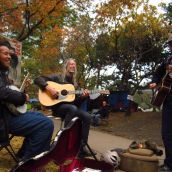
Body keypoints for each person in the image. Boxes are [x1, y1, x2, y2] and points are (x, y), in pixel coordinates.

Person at [0, 41, 54, 161]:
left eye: (10, 54)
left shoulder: (3, 75)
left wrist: (22, 93)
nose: (9, 56)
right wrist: (23, 97)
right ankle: (29, 163)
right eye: (5, 53)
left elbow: (9, 96)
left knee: (40, 116)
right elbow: (3, 92)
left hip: (8, 114)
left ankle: (24, 155)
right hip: (3, 120)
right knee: (46, 125)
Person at [34, 58, 93, 158]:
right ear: (66, 66)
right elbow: (38, 79)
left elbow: (75, 103)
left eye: (74, 64)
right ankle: (63, 144)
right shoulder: (57, 77)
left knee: (87, 116)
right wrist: (49, 88)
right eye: (70, 64)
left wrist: (83, 97)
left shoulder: (75, 85)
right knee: (72, 109)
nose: (72, 66)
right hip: (57, 108)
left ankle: (81, 147)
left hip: (70, 108)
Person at [149, 35, 172, 172]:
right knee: (167, 133)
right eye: (170, 44)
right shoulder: (167, 59)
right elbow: (158, 73)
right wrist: (154, 81)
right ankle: (169, 164)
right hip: (169, 101)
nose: (170, 46)